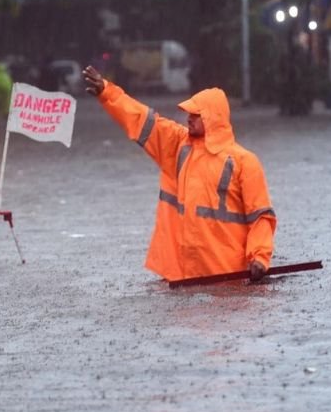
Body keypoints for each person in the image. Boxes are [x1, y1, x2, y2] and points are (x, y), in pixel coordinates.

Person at [82, 65, 275, 283]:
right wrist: (107, 93)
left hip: (227, 277)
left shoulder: (244, 162)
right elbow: (142, 119)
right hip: (182, 276)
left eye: (196, 114)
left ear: (212, 118)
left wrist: (259, 257)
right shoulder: (178, 145)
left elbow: (261, 216)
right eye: (189, 114)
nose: (189, 118)